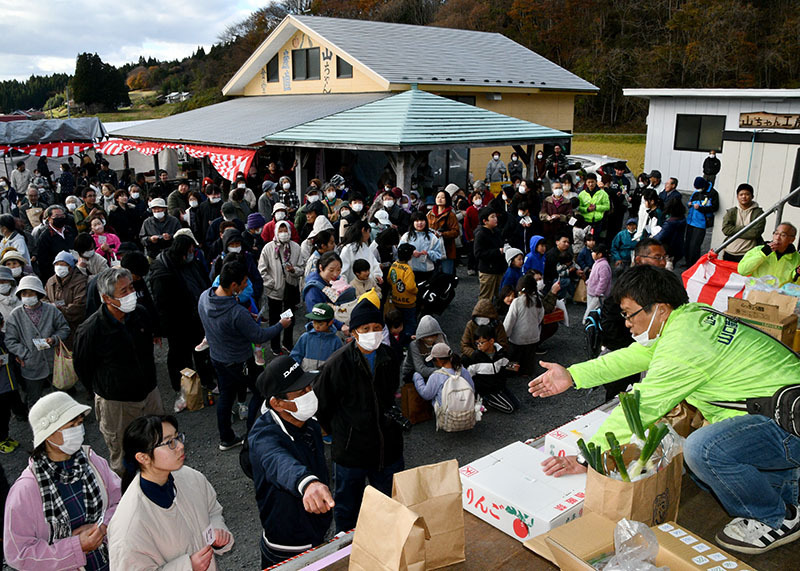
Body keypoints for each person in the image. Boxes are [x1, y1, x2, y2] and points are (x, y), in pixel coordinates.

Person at [529, 265, 800, 555]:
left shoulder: (686, 344)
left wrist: (589, 457)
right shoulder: (689, 318)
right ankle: (786, 497)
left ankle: (775, 517)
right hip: (784, 415)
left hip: (787, 424)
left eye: (630, 313)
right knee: (705, 456)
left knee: (703, 451)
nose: (626, 323)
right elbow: (635, 357)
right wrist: (573, 376)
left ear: (660, 309)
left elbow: (643, 404)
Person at [313, 298, 404, 532]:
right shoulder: (337, 364)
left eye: (376, 328)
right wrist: (342, 431)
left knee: (389, 505)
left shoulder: (390, 356)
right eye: (365, 329)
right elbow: (321, 406)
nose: (372, 333)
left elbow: (390, 392)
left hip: (387, 448)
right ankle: (346, 553)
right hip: (351, 452)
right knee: (347, 509)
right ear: (353, 332)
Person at [3, 392, 121, 570]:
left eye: (80, 424)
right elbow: (19, 554)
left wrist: (102, 526)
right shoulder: (26, 489)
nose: (78, 430)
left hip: (110, 560)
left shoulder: (91, 461)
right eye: (71, 426)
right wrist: (76, 547)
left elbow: (121, 501)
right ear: (48, 435)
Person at [109, 415, 234, 569]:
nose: (180, 446)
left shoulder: (190, 477)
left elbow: (213, 510)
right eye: (170, 443)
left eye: (177, 437)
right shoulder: (129, 523)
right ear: (143, 457)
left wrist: (217, 531)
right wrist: (187, 567)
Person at [74, 268, 164, 475]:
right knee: (123, 454)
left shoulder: (140, 314)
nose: (131, 293)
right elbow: (83, 368)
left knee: (158, 441)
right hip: (117, 404)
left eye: (131, 287)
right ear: (107, 298)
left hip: (149, 394)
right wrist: (105, 388)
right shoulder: (91, 330)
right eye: (124, 291)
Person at [250, 356, 334, 566]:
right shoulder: (263, 437)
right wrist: (308, 483)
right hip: (287, 547)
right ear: (277, 403)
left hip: (316, 533)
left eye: (308, 387)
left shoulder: (310, 424)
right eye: (300, 392)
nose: (309, 394)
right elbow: (278, 461)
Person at [198, 260, 290, 450]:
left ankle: (226, 438)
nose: (247, 285)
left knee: (226, 395)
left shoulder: (204, 298)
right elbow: (259, 335)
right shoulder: (236, 313)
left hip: (217, 357)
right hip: (239, 361)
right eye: (244, 282)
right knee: (259, 391)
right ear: (234, 285)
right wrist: (281, 324)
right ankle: (251, 434)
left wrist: (247, 320)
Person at [148, 235, 212, 404]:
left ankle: (207, 381)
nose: (192, 253)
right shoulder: (163, 271)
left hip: (196, 317)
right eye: (190, 250)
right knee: (180, 357)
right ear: (183, 251)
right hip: (178, 323)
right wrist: (163, 329)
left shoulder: (191, 263)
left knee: (201, 350)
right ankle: (183, 390)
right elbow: (161, 305)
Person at [5, 276, 70, 408]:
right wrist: (25, 353)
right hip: (31, 365)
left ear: (38, 293)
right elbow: (10, 340)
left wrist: (54, 339)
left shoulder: (51, 310)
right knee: (34, 398)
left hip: (53, 361)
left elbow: (64, 328)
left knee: (60, 395)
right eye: (24, 293)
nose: (28, 296)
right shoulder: (15, 315)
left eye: (31, 293)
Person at [258, 220, 301, 356]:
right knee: (275, 319)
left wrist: (294, 270)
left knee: (289, 318)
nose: (283, 233)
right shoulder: (268, 248)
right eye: (280, 231)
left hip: (290, 289)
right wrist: (272, 284)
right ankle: (275, 345)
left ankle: (287, 343)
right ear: (276, 232)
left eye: (285, 230)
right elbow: (262, 270)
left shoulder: (295, 247)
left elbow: (302, 267)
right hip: (274, 292)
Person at [504, 274, 556, 374]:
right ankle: (526, 372)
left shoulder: (516, 302)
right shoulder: (538, 301)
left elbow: (509, 322)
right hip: (533, 337)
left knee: (514, 357)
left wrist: (505, 335)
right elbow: (540, 318)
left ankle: (513, 372)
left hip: (517, 339)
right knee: (528, 358)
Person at [465, 325, 519, 413]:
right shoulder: (476, 356)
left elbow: (506, 365)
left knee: (517, 405)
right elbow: (469, 374)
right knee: (510, 409)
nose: (479, 346)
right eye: (477, 343)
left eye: (482, 343)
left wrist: (513, 368)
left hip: (499, 385)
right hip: (486, 390)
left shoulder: (501, 353)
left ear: (491, 341)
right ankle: (487, 400)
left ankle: (494, 397)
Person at [412, 342, 475, 410]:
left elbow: (426, 395)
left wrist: (417, 377)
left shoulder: (436, 376)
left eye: (434, 360)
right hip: (466, 411)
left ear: (438, 359)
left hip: (447, 415)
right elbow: (472, 389)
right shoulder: (463, 370)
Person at [45, 252, 88, 348]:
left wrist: (58, 308)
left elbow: (79, 306)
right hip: (54, 329)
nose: (59, 267)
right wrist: (50, 307)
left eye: (62, 264)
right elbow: (44, 299)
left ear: (70, 267)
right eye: (57, 264)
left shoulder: (80, 281)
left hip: (74, 329)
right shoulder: (51, 281)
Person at [719, 183, 765, 263]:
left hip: (748, 254)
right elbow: (726, 230)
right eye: (741, 194)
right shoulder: (731, 211)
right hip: (729, 252)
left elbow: (755, 233)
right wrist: (746, 228)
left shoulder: (759, 213)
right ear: (737, 197)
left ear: (752, 196)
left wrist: (734, 230)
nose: (744, 196)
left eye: (747, 194)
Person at [290, 304, 343, 372]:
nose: (317, 326)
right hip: (305, 376)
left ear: (330, 322)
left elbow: (339, 362)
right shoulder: (305, 337)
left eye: (320, 324)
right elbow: (296, 356)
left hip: (324, 378)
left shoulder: (336, 341)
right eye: (314, 323)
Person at [399, 212, 444, 285]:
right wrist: (411, 252)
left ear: (426, 222)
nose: (419, 223)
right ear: (412, 222)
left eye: (422, 220)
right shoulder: (406, 236)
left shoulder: (432, 237)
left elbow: (439, 255)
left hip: (427, 272)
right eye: (416, 221)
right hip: (409, 271)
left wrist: (428, 253)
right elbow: (399, 253)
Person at [684, 176, 720, 266]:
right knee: (687, 244)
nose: (697, 189)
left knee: (695, 246)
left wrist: (701, 208)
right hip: (690, 221)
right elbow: (691, 201)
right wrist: (689, 204)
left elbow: (714, 208)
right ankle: (687, 262)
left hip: (700, 223)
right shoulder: (696, 192)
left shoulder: (712, 193)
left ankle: (694, 265)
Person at [36, 205, 76, 282]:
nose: (60, 218)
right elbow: (43, 261)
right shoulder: (45, 236)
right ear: (49, 218)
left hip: (72, 271)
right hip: (56, 274)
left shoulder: (70, 231)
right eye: (57, 216)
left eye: (62, 216)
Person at [473, 208, 505, 301]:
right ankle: (482, 314)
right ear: (485, 221)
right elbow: (478, 253)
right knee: (486, 297)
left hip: (499, 268)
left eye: (495, 216)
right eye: (492, 217)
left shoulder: (496, 231)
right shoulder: (481, 234)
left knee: (501, 294)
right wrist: (497, 251)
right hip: (487, 270)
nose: (495, 219)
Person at [388, 243, 418, 337]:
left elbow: (389, 279)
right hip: (408, 302)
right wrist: (416, 290)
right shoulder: (408, 270)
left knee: (398, 321)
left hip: (396, 300)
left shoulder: (394, 265)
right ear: (409, 257)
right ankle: (407, 340)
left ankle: (398, 338)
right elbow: (410, 287)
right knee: (409, 322)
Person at [654, 198, 687, 265]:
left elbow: (660, 237)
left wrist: (651, 238)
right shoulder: (682, 219)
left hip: (668, 248)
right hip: (678, 247)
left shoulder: (670, 223)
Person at [584, 243, 612, 322]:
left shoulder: (603, 265)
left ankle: (588, 324)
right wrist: (588, 282)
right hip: (592, 292)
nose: (592, 253)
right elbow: (593, 276)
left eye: (593, 252)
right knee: (591, 309)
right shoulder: (597, 263)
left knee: (591, 311)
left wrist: (599, 292)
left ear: (599, 254)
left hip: (598, 294)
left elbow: (604, 281)